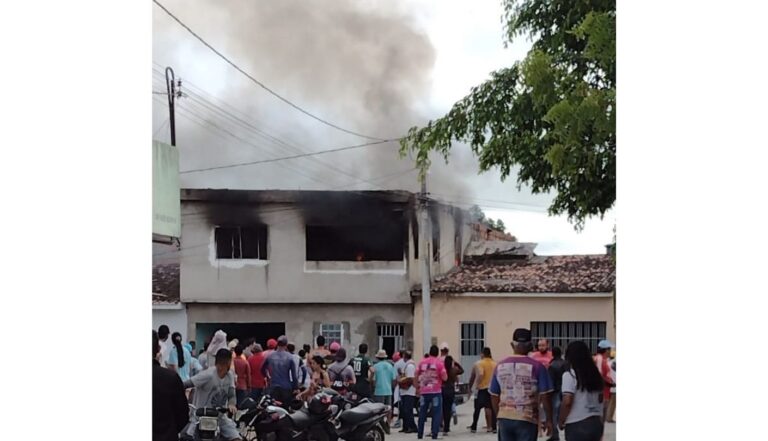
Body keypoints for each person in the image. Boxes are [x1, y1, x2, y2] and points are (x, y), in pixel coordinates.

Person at [490, 328, 554, 441]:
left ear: (512, 345)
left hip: (505, 418)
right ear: (530, 345)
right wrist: (549, 419)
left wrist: (499, 415)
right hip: (527, 419)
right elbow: (545, 395)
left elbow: (494, 395)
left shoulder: (499, 366)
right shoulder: (538, 367)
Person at [183, 348, 241, 441]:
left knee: (236, 438)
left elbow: (231, 394)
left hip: (220, 417)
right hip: (201, 418)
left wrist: (231, 404)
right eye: (220, 364)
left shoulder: (230, 375)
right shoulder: (208, 375)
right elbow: (186, 384)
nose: (221, 367)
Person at [558, 341, 605, 441]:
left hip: (576, 423)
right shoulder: (596, 376)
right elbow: (601, 400)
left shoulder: (570, 375)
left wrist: (561, 420)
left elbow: (567, 401)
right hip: (596, 422)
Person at [152, 330, 189, 441]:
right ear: (158, 349)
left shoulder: (173, 352)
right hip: (166, 436)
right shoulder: (170, 378)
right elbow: (183, 416)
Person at [416, 345, 448, 440]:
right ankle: (434, 434)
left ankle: (420, 433)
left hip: (424, 391)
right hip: (436, 391)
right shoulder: (439, 363)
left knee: (422, 412)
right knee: (437, 413)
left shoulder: (422, 362)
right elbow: (444, 377)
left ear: (429, 352)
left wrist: (417, 387)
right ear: (437, 353)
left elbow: (416, 374)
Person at [261, 335, 299, 406]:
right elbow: (294, 375)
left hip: (273, 386)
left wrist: (267, 376)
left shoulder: (270, 356)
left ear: (277, 344)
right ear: (286, 345)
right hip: (286, 387)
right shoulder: (290, 357)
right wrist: (296, 387)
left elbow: (262, 368)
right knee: (286, 409)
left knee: (273, 410)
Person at [468, 347, 497, 433]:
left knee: (477, 408)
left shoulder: (479, 363)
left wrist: (473, 386)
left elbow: (478, 375)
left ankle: (474, 426)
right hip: (492, 388)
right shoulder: (495, 363)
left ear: (482, 354)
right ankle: (493, 427)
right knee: (491, 407)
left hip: (482, 388)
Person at [371, 349, 397, 429]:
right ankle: (388, 423)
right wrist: (392, 387)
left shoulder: (375, 367)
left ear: (378, 357)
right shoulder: (390, 366)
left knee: (379, 410)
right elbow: (394, 379)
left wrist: (372, 387)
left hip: (378, 390)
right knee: (388, 408)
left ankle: (380, 424)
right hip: (388, 390)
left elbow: (373, 380)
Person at [547, 347, 567, 441]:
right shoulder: (566, 364)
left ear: (553, 354)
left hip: (555, 392)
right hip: (565, 390)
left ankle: (555, 435)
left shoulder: (552, 365)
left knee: (554, 414)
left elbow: (550, 381)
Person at [441, 355, 463, 435]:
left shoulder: (443, 370)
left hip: (443, 389)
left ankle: (443, 426)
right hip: (451, 390)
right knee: (449, 409)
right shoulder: (454, 370)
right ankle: (447, 427)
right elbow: (462, 370)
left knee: (443, 409)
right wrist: (456, 363)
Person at [594, 340, 615, 422]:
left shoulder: (603, 359)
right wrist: (609, 383)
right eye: (609, 349)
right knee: (600, 417)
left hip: (604, 391)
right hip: (601, 392)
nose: (610, 351)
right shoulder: (599, 359)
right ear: (606, 350)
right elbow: (599, 376)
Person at [398, 350, 418, 434]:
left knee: (408, 410)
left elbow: (410, 378)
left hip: (408, 391)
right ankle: (406, 426)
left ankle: (412, 426)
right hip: (405, 391)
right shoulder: (408, 365)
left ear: (404, 357)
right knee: (404, 410)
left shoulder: (410, 366)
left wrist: (403, 384)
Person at [392, 350, 406, 429]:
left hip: (399, 385)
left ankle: (399, 421)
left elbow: (395, 377)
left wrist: (394, 386)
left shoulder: (397, 364)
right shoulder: (408, 363)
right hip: (408, 386)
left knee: (399, 404)